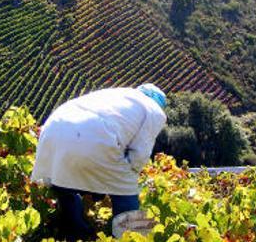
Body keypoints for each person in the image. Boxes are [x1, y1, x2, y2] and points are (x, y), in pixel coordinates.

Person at [31, 84, 167, 240]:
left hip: (53, 127)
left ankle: (77, 233)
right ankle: (130, 236)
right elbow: (139, 155)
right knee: (127, 192)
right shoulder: (154, 110)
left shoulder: (119, 95)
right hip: (93, 135)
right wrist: (125, 180)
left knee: (63, 184)